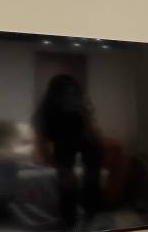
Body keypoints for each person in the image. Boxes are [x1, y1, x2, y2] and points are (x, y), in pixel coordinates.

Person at [33, 74, 104, 224]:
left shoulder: (81, 106)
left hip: (84, 138)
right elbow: (41, 137)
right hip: (63, 140)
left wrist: (87, 114)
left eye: (72, 93)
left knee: (91, 175)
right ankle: (70, 215)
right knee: (67, 178)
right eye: (65, 93)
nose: (69, 98)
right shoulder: (46, 110)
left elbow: (93, 135)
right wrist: (47, 156)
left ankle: (88, 211)